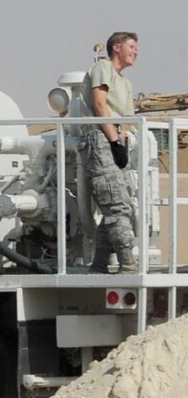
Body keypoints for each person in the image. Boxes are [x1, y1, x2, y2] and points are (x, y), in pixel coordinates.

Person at [78, 31, 139, 272]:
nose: (136, 52)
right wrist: (113, 141)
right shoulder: (103, 68)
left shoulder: (125, 83)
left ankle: (100, 262)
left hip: (116, 140)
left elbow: (124, 118)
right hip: (100, 139)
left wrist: (120, 140)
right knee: (115, 204)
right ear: (116, 48)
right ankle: (127, 262)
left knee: (122, 203)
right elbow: (100, 104)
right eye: (131, 46)